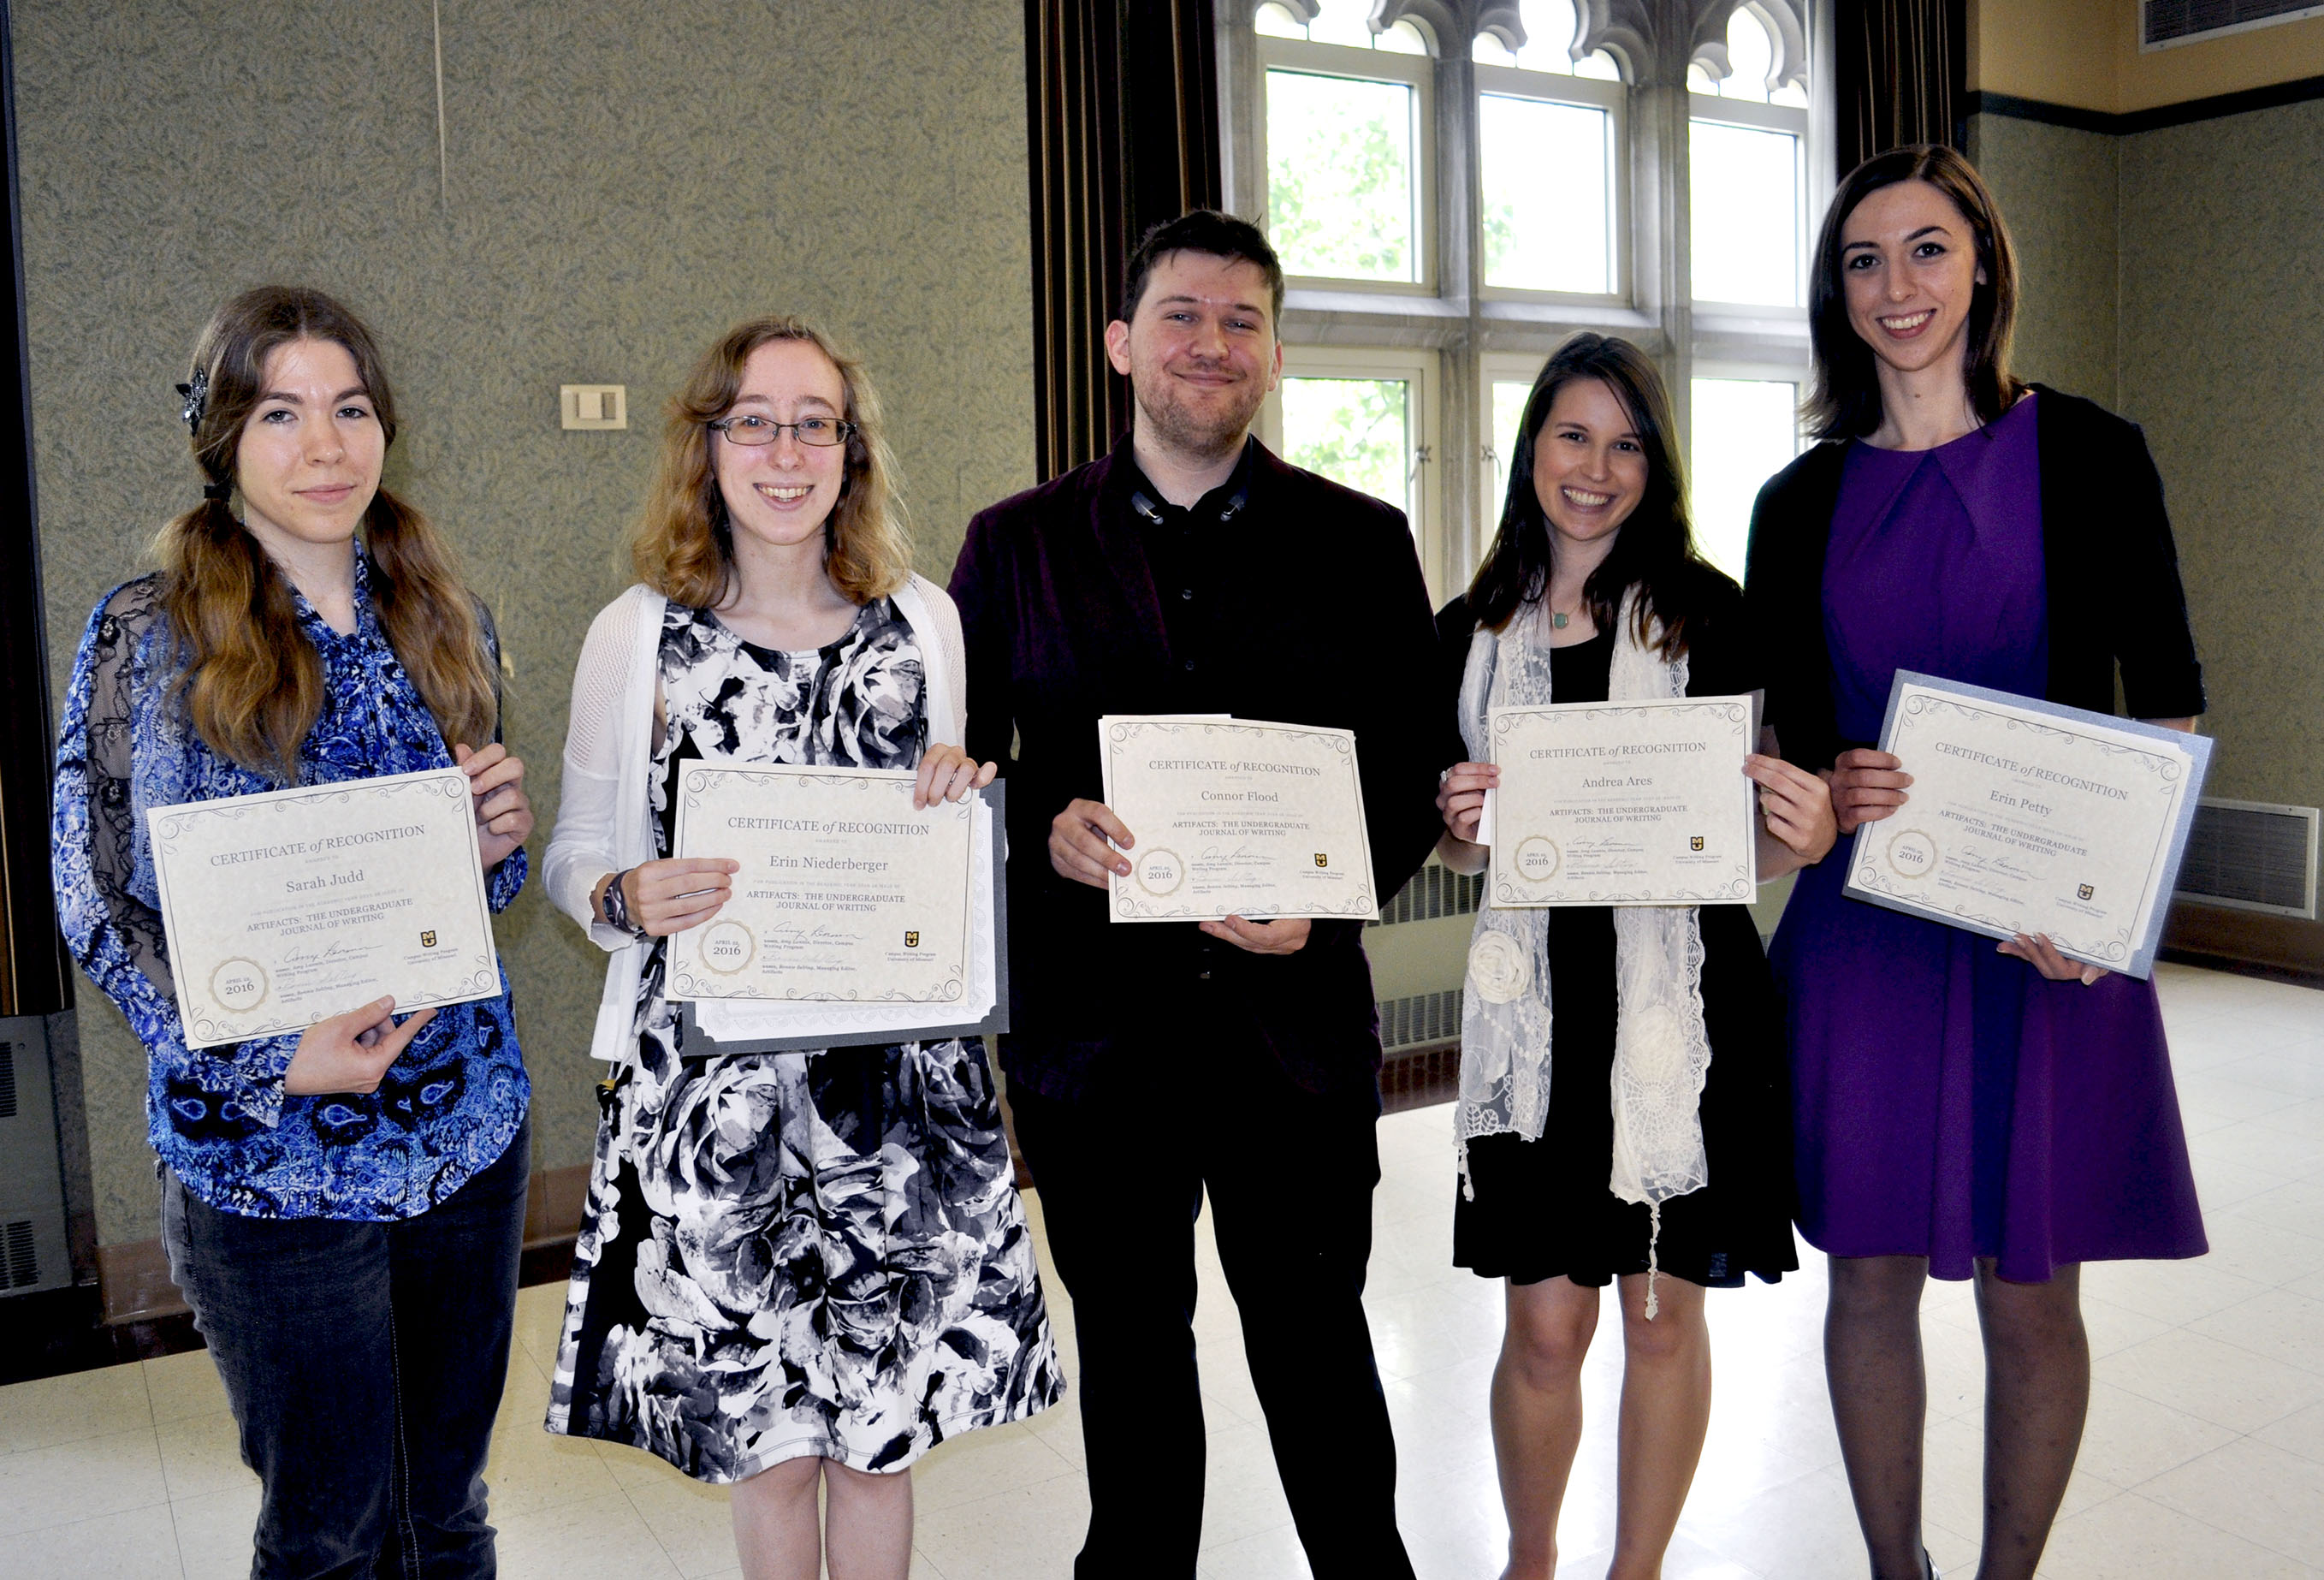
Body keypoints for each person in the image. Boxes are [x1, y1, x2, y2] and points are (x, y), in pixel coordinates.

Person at [947, 209, 1442, 1578]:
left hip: (1294, 1040)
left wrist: (1331, 905)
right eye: (1182, 315)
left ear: (1275, 354)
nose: (1211, 344)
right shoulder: (1014, 548)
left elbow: (1409, 775)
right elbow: (961, 776)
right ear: (1119, 343)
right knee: (1136, 1371)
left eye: (1241, 321)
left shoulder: (1361, 541)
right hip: (1096, 1052)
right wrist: (1040, 827)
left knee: (1318, 1360)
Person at [1745, 146, 2208, 1580]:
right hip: (1868, 931)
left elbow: (2169, 699)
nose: (1900, 287)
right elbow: (1785, 744)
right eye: (1867, 260)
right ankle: (1899, 1573)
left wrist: (2116, 911)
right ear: (1840, 292)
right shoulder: (1795, 500)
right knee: (1867, 1280)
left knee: (2033, 1294)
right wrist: (1826, 782)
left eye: (1929, 250)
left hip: (2046, 939)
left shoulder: (2092, 453)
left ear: (1986, 262)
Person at [541, 314, 1061, 1580]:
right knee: (765, 1447)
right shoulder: (636, 638)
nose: (786, 451)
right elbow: (569, 858)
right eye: (755, 422)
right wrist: (624, 893)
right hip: (715, 1099)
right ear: (707, 446)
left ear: (852, 447)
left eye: (814, 422)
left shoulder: (926, 623)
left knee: (881, 1440)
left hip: (903, 1106)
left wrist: (963, 794)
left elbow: (960, 870)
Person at [51, 286, 534, 1578]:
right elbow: (94, 893)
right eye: (282, 412)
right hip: (270, 1157)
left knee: (449, 1509)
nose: (325, 446)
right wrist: (269, 1062)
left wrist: (493, 846)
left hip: (462, 1138)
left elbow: (466, 906)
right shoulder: (146, 634)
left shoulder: (447, 615)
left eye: (351, 408)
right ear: (224, 435)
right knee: (329, 1528)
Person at [1432, 334, 1834, 1580]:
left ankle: (1637, 1570)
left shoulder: (1714, 616)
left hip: (1681, 1008)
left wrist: (1796, 830)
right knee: (1545, 1325)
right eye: (1572, 435)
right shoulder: (1470, 627)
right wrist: (1456, 829)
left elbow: (1757, 849)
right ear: (1531, 450)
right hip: (1539, 1020)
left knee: (1661, 1317)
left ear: (1655, 465)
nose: (1596, 468)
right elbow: (1457, 857)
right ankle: (1532, 1558)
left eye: (1626, 443)